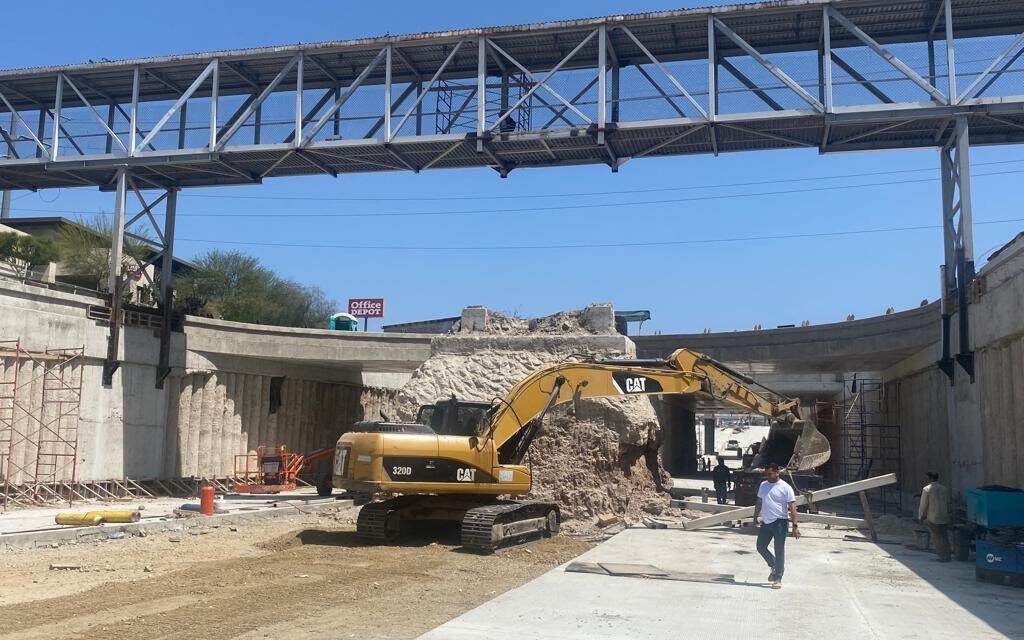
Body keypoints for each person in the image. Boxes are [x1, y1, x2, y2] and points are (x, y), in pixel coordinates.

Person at [753, 463, 800, 589]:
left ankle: (778, 577)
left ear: (777, 472)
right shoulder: (763, 485)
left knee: (779, 550)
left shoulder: (785, 487)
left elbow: (793, 507)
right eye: (766, 474)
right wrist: (755, 516)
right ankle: (774, 565)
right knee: (760, 546)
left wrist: (795, 526)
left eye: (770, 474)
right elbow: (759, 502)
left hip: (780, 523)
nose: (767, 476)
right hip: (766, 522)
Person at [918, 471, 951, 562]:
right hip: (944, 516)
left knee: (936, 537)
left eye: (927, 478)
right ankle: (947, 556)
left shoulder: (927, 489)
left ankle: (942, 556)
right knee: (944, 537)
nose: (926, 479)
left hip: (933, 517)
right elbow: (948, 503)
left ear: (931, 478)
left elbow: (923, 505)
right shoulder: (944, 488)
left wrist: (920, 516)